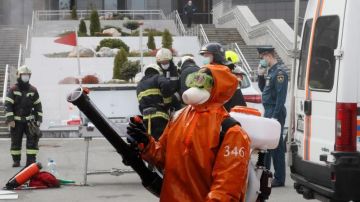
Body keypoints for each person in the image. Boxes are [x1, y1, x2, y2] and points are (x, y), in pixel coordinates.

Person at [127, 60, 251, 201]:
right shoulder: (178, 117)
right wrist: (146, 143)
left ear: (219, 88)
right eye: (195, 79)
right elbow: (162, 155)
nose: (197, 85)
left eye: (204, 81)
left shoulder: (230, 132)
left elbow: (225, 190)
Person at [257, 46, 288, 187]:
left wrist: (275, 117)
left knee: (277, 146)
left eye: (263, 57)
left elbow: (281, 98)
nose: (262, 61)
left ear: (268, 55)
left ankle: (279, 178)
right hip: (269, 111)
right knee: (269, 144)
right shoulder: (271, 72)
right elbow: (264, 90)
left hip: (276, 112)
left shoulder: (280, 73)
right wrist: (260, 76)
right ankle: (266, 174)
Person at [4, 65, 43, 167]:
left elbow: (38, 105)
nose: (26, 77)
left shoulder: (33, 90)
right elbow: (8, 105)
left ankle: (30, 161)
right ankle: (16, 161)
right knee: (16, 142)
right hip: (16, 122)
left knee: (32, 141)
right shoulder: (13, 89)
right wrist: (10, 119)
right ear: (19, 75)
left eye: (27, 75)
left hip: (30, 122)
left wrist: (39, 119)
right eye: (23, 75)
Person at [136, 64, 174, 140]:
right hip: (160, 117)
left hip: (146, 119)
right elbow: (165, 84)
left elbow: (140, 105)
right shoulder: (157, 77)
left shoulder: (139, 85)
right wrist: (167, 104)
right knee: (162, 142)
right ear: (157, 71)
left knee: (152, 143)